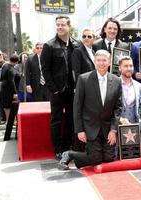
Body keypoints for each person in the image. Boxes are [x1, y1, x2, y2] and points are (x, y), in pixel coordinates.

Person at [58, 50, 122, 170]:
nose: (101, 63)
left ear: (109, 62)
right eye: (99, 60)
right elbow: (77, 107)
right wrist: (80, 130)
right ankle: (70, 154)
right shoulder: (84, 79)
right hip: (90, 127)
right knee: (96, 159)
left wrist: (113, 130)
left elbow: (118, 108)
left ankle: (83, 157)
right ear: (94, 62)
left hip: (107, 128)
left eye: (104, 60)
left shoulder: (117, 81)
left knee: (109, 158)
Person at [41, 15, 80, 160]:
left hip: (73, 89)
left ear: (69, 26)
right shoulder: (49, 45)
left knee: (71, 119)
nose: (60, 27)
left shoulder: (76, 44)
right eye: (58, 25)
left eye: (63, 25)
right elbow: (45, 70)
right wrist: (54, 88)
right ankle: (57, 149)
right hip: (57, 90)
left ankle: (66, 146)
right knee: (56, 120)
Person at [118, 56, 141, 125]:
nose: (129, 68)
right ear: (120, 68)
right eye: (126, 66)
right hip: (117, 127)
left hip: (134, 126)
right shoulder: (113, 84)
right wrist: (119, 119)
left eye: (131, 66)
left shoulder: (139, 86)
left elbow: (139, 107)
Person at [0, 54, 19, 123]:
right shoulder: (11, 68)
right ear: (16, 62)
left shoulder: (4, 65)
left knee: (6, 106)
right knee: (10, 106)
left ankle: (10, 121)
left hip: (3, 88)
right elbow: (11, 82)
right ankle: (11, 121)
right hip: (9, 89)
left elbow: (1, 78)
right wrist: (15, 92)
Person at [0, 50, 6, 123]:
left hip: (4, 88)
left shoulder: (6, 64)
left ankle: (3, 118)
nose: (0, 56)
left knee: (3, 102)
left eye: (1, 54)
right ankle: (0, 118)